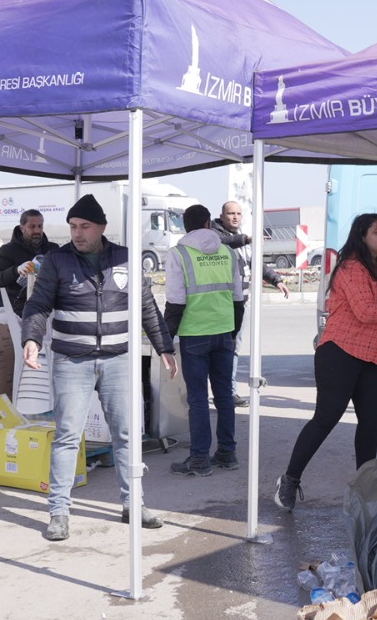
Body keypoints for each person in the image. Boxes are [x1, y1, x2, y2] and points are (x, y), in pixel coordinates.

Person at [21, 194, 177, 541]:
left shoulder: (125, 259)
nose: (77, 233)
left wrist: (164, 347)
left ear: (102, 227)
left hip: (118, 360)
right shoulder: (57, 260)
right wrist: (31, 338)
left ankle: (133, 504)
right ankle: (59, 512)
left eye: (84, 226)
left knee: (126, 435)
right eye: (73, 227)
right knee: (67, 437)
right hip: (71, 362)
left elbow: (146, 306)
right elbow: (38, 305)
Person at [274, 212, 377, 511]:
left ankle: (366, 488)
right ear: (362, 236)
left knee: (370, 424)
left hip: (372, 357)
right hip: (340, 352)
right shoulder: (351, 267)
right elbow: (366, 311)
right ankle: (289, 479)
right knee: (326, 419)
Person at [163, 205, 244, 476]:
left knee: (198, 399)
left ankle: (199, 458)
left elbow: (175, 301)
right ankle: (227, 453)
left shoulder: (179, 254)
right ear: (209, 223)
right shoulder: (228, 252)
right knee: (224, 396)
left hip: (194, 334)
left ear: (185, 226)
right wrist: (232, 333)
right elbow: (238, 299)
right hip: (224, 332)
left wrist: (165, 341)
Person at [211, 201, 288, 406]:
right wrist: (246, 239)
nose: (235, 217)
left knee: (234, 348)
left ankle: (228, 392)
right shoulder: (215, 235)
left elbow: (256, 264)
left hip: (241, 301)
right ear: (222, 216)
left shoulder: (241, 237)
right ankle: (225, 393)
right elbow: (224, 242)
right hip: (223, 303)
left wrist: (277, 280)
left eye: (238, 213)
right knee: (225, 349)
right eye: (231, 213)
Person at [0, 210, 58, 314]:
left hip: (51, 307)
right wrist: (16, 270)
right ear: (22, 228)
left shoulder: (53, 249)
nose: (37, 230)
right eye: (32, 226)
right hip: (20, 310)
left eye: (40, 226)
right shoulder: (8, 250)